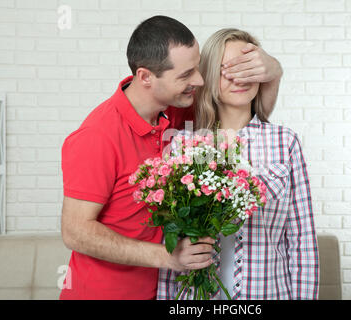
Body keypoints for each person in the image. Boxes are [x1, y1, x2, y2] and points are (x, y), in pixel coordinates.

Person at [60, 16, 283, 300]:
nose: (199, 81)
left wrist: (274, 72)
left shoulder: (177, 108)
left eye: (198, 69)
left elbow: (246, 116)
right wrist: (169, 258)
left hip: (165, 294)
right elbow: (75, 232)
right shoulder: (98, 135)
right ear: (146, 78)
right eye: (186, 74)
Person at [157, 28, 319, 300]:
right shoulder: (183, 145)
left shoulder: (284, 142)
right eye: (226, 69)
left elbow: (302, 241)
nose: (239, 78)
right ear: (208, 76)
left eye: (247, 68)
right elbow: (169, 243)